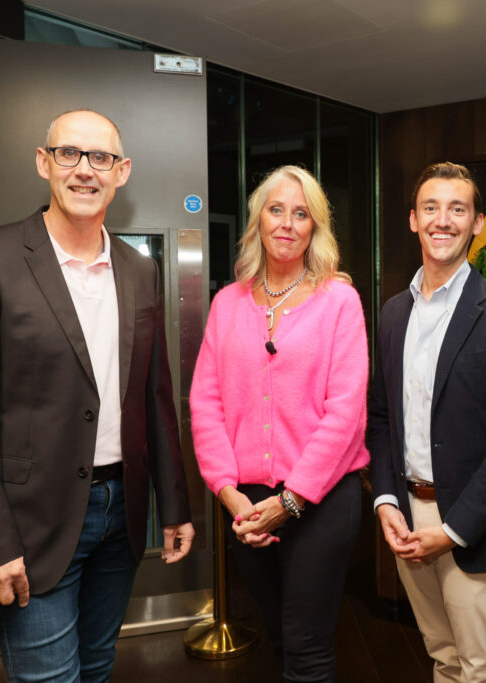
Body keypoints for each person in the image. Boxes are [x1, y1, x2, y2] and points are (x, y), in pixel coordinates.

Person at [0, 109, 195, 682]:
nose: (84, 170)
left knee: (98, 667)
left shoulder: (138, 269)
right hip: (29, 525)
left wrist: (173, 505)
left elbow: (154, 396)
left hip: (120, 515)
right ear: (43, 162)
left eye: (100, 158)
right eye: (69, 154)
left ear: (121, 171)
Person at [190, 165, 369, 682]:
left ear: (315, 227)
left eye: (302, 213)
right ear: (258, 221)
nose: (288, 223)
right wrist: (228, 493)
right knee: (279, 639)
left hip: (321, 501)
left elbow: (346, 412)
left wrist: (290, 502)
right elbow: (205, 403)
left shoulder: (339, 301)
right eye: (276, 210)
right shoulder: (227, 304)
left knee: (308, 651)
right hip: (246, 504)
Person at [367, 162, 486, 682]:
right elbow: (380, 420)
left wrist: (453, 529)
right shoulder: (393, 313)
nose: (443, 220)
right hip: (407, 520)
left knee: (483, 668)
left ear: (478, 222)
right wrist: (385, 501)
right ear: (413, 221)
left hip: (473, 527)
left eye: (457, 209)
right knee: (443, 659)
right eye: (431, 208)